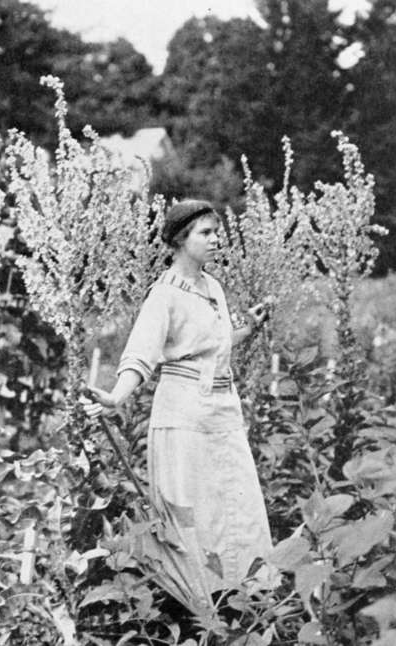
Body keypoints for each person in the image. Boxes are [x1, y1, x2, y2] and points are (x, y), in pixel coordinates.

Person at [83, 199, 273, 598]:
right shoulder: (164, 295)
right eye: (206, 233)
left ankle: (244, 599)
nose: (215, 240)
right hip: (184, 415)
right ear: (180, 239)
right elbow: (143, 351)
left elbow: (208, 346)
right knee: (198, 512)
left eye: (216, 231)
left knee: (236, 505)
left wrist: (247, 330)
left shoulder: (213, 287)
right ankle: (201, 607)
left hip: (223, 412)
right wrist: (117, 396)